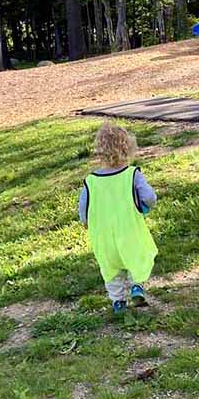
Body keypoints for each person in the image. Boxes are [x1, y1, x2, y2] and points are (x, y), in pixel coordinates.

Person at [78, 122, 158, 314]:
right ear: (127, 149)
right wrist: (144, 204)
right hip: (129, 229)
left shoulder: (91, 181)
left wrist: (85, 221)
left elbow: (83, 207)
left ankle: (118, 302)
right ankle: (136, 286)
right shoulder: (132, 175)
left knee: (110, 267)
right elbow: (150, 197)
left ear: (99, 152)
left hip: (103, 235)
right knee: (136, 256)